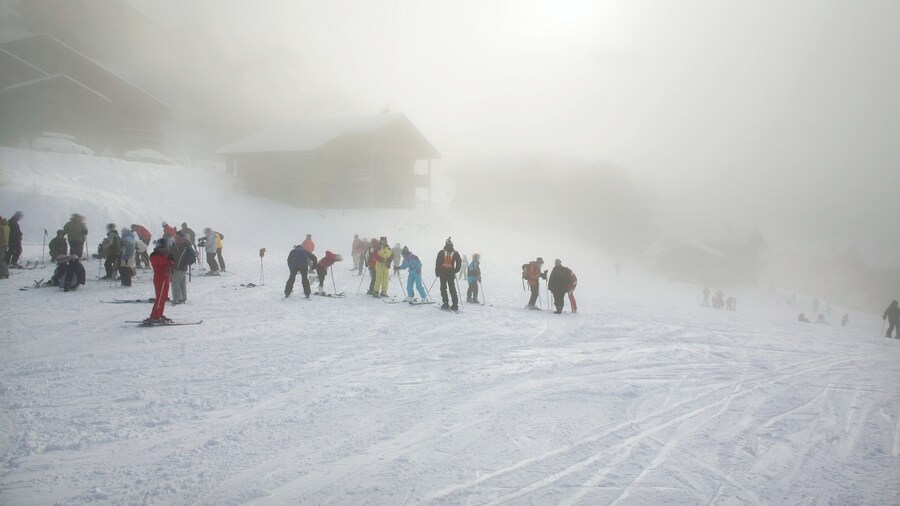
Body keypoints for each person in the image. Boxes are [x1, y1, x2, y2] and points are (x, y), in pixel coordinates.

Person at [148, 239, 174, 323]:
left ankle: (159, 314)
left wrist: (170, 258)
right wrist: (169, 259)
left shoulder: (163, 254)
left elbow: (170, 264)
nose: (166, 249)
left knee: (164, 297)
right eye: (165, 248)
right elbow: (162, 264)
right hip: (160, 277)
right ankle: (154, 315)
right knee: (160, 297)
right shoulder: (154, 255)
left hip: (165, 277)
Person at [434, 237, 462, 310]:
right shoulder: (455, 253)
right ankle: (455, 305)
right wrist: (456, 270)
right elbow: (459, 262)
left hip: (443, 273)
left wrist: (437, 272)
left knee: (443, 288)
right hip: (451, 273)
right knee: (452, 288)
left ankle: (445, 303)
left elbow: (438, 263)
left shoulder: (441, 252)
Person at [170, 231, 196, 304]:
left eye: (177, 237)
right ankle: (183, 298)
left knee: (175, 283)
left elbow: (180, 257)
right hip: (182, 267)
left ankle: (178, 298)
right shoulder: (182, 244)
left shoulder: (182, 245)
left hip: (179, 267)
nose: (175, 238)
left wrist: (175, 266)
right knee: (181, 282)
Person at [0, 215, 9, 279]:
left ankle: (4, 273)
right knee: (2, 259)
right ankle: (4, 273)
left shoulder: (1, 227)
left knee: (1, 259)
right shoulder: (7, 226)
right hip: (5, 244)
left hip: (1, 244)